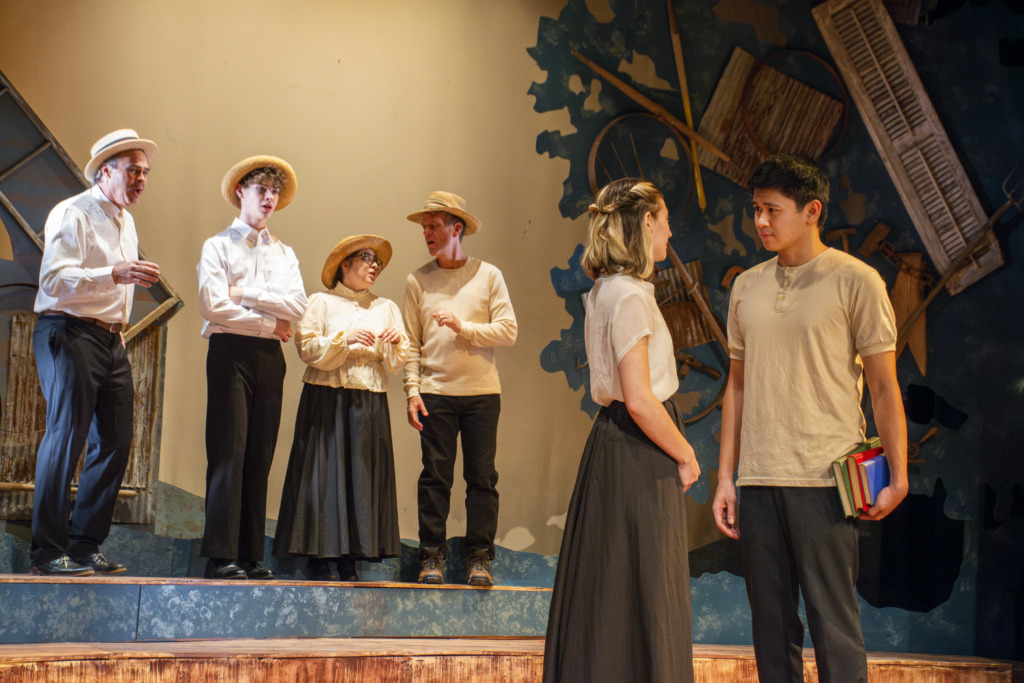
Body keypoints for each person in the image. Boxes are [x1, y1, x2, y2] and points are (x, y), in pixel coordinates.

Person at [712, 153, 908, 682]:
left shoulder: (856, 281)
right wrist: (725, 476)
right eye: (756, 209)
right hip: (757, 479)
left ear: (812, 211)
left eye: (773, 210)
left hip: (826, 479)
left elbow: (886, 388)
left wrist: (898, 474)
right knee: (770, 630)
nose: (761, 221)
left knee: (833, 624)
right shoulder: (746, 286)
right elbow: (737, 385)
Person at [542, 178, 700, 683]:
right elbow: (640, 398)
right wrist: (686, 454)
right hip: (638, 446)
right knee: (646, 581)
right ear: (646, 222)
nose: (670, 233)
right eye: (666, 219)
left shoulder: (604, 290)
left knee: (612, 582)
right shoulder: (629, 295)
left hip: (612, 443)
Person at [30, 129, 161, 576]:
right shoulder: (74, 212)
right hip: (67, 331)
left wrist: (117, 327)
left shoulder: (126, 220)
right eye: (132, 170)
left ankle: (85, 544)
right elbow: (53, 280)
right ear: (105, 171)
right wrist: (115, 272)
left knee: (116, 440)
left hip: (108, 338)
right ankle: (46, 551)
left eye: (145, 172)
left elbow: (114, 286)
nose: (141, 179)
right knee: (65, 435)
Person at [274, 234, 409, 581]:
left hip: (368, 399)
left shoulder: (386, 307)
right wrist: (345, 340)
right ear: (345, 265)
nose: (374, 265)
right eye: (366, 258)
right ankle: (317, 555)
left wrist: (394, 344)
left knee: (360, 475)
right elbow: (307, 348)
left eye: (376, 260)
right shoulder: (320, 302)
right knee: (323, 473)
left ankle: (352, 553)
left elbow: (396, 362)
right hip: (328, 396)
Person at [197, 155, 307, 580]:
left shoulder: (285, 252)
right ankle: (219, 554)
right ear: (241, 191)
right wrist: (269, 321)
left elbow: (297, 306)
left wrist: (245, 292)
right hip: (230, 353)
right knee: (230, 450)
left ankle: (248, 553)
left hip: (268, 360)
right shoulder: (218, 245)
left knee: (260, 454)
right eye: (262, 190)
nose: (269, 199)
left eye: (275, 192)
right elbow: (213, 307)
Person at [403, 191, 517, 587]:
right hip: (434, 391)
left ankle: (479, 558)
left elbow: (508, 330)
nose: (427, 234)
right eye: (424, 228)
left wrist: (463, 328)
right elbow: (411, 342)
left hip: (482, 393)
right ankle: (431, 556)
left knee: (482, 478)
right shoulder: (418, 280)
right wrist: (412, 391)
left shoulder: (489, 275)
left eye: (434, 226)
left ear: (456, 228)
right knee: (435, 477)